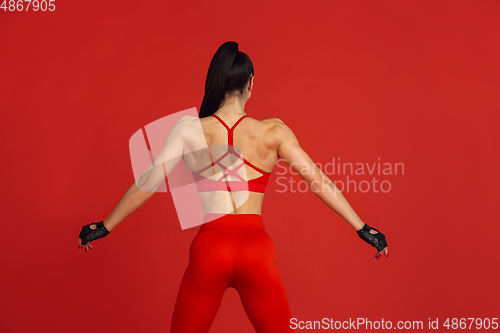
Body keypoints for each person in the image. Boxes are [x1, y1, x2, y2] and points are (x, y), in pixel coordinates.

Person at [78, 41, 389, 333]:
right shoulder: (274, 131)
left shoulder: (189, 129)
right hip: (256, 250)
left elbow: (148, 182)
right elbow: (318, 181)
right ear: (250, 83)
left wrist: (104, 226)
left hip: (210, 250)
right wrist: (362, 228)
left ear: (215, 81)